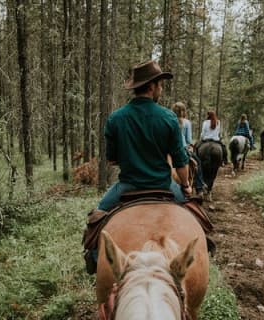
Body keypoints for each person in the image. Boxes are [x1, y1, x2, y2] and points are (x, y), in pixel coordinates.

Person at [85, 60, 192, 274]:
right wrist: (187, 185)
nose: (161, 89)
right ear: (152, 86)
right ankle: (203, 252)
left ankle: (94, 260)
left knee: (95, 222)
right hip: (163, 186)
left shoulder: (116, 118)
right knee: (195, 219)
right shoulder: (169, 118)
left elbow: (112, 160)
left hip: (127, 187)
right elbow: (181, 162)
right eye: (160, 85)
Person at [172, 101, 206, 197]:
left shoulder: (170, 120)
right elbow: (188, 139)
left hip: (170, 149)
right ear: (183, 111)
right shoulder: (186, 122)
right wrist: (190, 146)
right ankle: (199, 188)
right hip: (182, 148)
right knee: (198, 162)